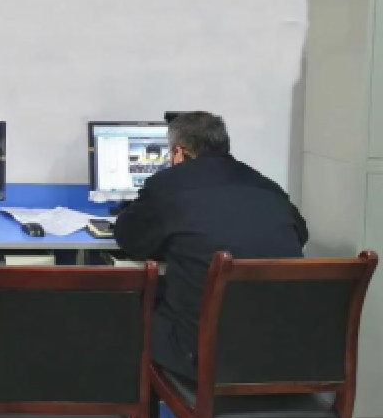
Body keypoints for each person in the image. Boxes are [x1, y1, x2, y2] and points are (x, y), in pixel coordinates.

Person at [114, 111, 308, 380]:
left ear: (178, 152)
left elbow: (129, 239)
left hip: (203, 357)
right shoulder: (266, 185)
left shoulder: (167, 185)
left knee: (125, 309)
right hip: (281, 355)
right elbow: (300, 234)